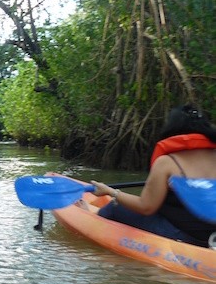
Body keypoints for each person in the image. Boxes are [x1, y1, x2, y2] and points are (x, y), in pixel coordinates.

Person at [90, 104, 216, 247]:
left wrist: (110, 192)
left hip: (183, 237)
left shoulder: (167, 163)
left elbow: (146, 207)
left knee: (115, 207)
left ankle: (91, 220)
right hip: (212, 237)